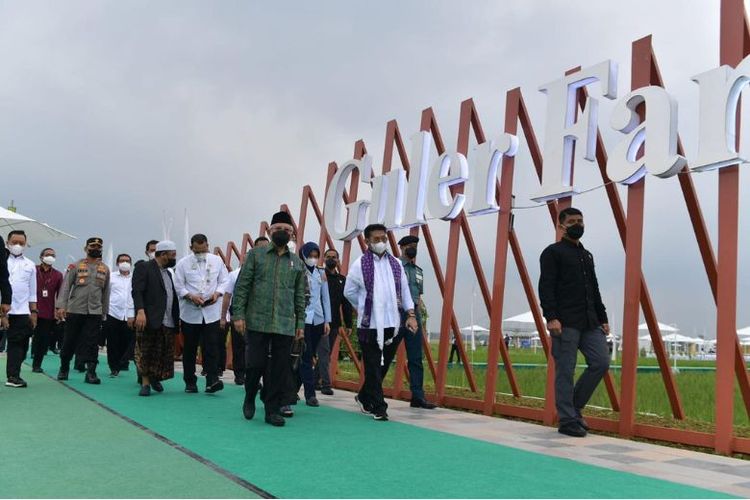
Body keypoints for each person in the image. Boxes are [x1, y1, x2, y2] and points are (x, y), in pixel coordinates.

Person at [539, 207, 610, 438]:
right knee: (565, 371)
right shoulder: (552, 253)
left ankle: (574, 408)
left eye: (580, 220)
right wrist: (551, 317)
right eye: (572, 221)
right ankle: (568, 420)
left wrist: (603, 318)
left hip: (590, 322)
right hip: (564, 322)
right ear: (561, 226)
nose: (577, 224)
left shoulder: (586, 255)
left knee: (600, 362)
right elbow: (546, 286)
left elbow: (594, 288)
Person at [232, 211, 306, 427]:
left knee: (280, 368)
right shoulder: (256, 254)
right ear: (270, 232)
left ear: (292, 234)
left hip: (284, 323)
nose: (282, 232)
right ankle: (249, 396)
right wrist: (238, 314)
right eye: (278, 229)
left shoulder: (296, 262)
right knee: (255, 364)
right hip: (257, 320)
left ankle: (272, 409)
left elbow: (299, 295)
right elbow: (243, 286)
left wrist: (300, 323)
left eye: (286, 230)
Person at [344, 224, 418, 421]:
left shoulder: (395, 263)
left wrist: (410, 315)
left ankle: (363, 396)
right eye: (376, 239)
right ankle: (379, 407)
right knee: (373, 365)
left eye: (383, 238)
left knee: (382, 366)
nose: (381, 242)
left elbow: (405, 291)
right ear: (367, 241)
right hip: (370, 325)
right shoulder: (360, 264)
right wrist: (364, 307)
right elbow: (349, 291)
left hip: (392, 324)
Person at [381, 235, 436, 409]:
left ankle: (418, 397)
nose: (412, 249)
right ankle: (370, 391)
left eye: (415, 246)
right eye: (409, 246)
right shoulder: (393, 266)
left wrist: (420, 320)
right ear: (402, 247)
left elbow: (418, 297)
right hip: (396, 315)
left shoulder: (418, 270)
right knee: (386, 355)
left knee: (415, 358)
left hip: (413, 316)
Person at [174, 234, 229, 393]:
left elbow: (224, 281)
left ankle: (212, 380)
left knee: (212, 347)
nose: (200, 253)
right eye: (197, 251)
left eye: (203, 249)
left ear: (207, 245)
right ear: (191, 248)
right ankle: (190, 382)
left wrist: (217, 294)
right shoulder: (183, 263)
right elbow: (178, 286)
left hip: (211, 312)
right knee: (190, 348)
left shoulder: (217, 261)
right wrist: (190, 296)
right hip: (190, 313)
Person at [56, 237, 111, 384]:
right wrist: (62, 306)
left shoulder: (105, 269)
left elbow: (106, 292)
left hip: (94, 312)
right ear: (86, 248)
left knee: (92, 343)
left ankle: (91, 372)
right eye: (92, 246)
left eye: (99, 246)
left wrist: (104, 311)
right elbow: (66, 286)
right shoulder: (75, 266)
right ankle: (64, 367)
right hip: (75, 310)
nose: (96, 248)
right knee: (69, 340)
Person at [132, 240, 180, 396]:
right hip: (149, 317)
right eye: (172, 255)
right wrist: (140, 311)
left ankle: (154, 377)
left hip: (167, 319)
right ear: (163, 254)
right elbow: (137, 291)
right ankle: (145, 383)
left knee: (162, 352)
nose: (174, 258)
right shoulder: (144, 268)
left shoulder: (168, 272)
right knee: (147, 350)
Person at [295, 242, 331, 408]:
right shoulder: (297, 270)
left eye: (316, 256)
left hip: (317, 319)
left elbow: (325, 298)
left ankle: (292, 390)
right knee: (306, 356)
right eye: (310, 255)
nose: (313, 259)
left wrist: (327, 321)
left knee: (307, 357)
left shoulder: (321, 273)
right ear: (304, 255)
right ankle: (310, 394)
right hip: (302, 318)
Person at [315, 248, 353, 396]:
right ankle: (325, 384)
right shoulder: (319, 276)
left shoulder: (342, 280)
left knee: (326, 353)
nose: (331, 259)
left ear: (338, 260)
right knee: (323, 353)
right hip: (318, 320)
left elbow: (346, 303)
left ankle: (313, 379)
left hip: (334, 323)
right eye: (328, 257)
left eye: (334, 257)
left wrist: (348, 324)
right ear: (324, 259)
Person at [4, 231, 37, 387]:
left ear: (25, 244)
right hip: (3, 308)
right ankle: (13, 376)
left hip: (22, 310)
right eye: (14, 241)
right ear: (7, 242)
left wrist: (34, 312)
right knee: (12, 343)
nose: (17, 245)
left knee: (21, 344)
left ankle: (13, 373)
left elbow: (32, 291)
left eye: (21, 243)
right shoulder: (2, 260)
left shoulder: (30, 265)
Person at [31, 248, 63, 372]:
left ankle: (37, 365)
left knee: (42, 339)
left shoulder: (57, 275)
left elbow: (60, 294)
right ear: (41, 257)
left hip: (47, 312)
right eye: (47, 254)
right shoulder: (32, 270)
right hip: (30, 310)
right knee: (23, 337)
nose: (50, 257)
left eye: (52, 255)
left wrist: (59, 310)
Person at [104, 254, 135, 377]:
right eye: (122, 261)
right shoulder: (111, 277)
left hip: (130, 314)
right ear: (117, 263)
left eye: (127, 261)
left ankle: (124, 361)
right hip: (113, 312)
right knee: (112, 342)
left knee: (128, 341)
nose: (124, 263)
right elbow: (106, 294)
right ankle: (113, 367)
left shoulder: (135, 277)